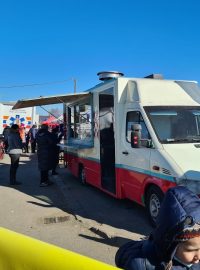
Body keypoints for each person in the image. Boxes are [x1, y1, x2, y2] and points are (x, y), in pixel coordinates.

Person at [115, 186, 200, 270]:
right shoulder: (140, 265)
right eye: (190, 250)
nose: (198, 257)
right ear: (170, 244)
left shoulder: (192, 260)